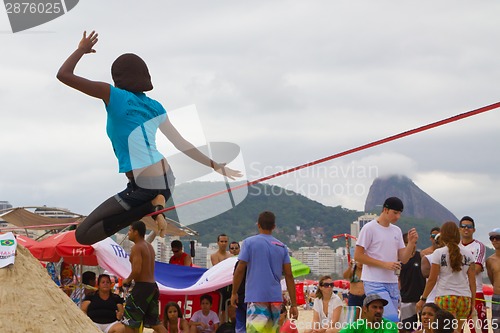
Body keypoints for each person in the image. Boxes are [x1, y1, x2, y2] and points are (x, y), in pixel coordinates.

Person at [57, 31, 241, 246]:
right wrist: (214, 165)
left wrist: (81, 50)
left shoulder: (114, 95)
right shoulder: (155, 106)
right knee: (86, 234)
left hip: (147, 185)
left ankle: (150, 208)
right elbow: (180, 143)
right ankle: (154, 207)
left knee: (84, 235)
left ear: (118, 77)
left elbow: (64, 75)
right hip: (163, 181)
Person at [231, 211, 298, 333]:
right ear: (274, 227)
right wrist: (294, 304)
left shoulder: (249, 243)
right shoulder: (282, 247)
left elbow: (240, 269)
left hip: (256, 297)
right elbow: (289, 275)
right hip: (276, 298)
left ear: (258, 225)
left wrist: (234, 292)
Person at [354, 197, 418, 322]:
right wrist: (384, 264)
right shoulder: (369, 228)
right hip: (373, 281)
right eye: (395, 212)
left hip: (392, 282)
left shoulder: (396, 230)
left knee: (387, 323)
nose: (398, 216)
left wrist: (410, 243)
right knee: (391, 319)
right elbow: (358, 256)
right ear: (385, 210)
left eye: (400, 213)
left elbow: (404, 259)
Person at [416, 221, 475, 332]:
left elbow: (432, 279)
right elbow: (472, 282)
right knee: (457, 331)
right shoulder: (468, 254)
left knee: (444, 331)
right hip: (465, 298)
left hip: (446, 296)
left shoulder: (439, 253)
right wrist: (473, 303)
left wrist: (423, 298)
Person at [121, 221, 167, 333]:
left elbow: (137, 270)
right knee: (154, 323)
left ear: (136, 232)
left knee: (129, 321)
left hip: (142, 288)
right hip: (152, 287)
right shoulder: (149, 247)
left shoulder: (137, 247)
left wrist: (127, 279)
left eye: (130, 230)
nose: (128, 233)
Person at [458, 216, 487, 333]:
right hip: (458, 292)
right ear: (459, 229)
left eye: (469, 227)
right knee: (456, 328)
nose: (466, 229)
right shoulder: (455, 246)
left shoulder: (479, 246)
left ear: (474, 230)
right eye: (463, 226)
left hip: (476, 293)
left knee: (478, 329)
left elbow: (477, 268)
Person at [400, 232, 426, 333]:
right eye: (409, 242)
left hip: (421, 299)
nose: (412, 245)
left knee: (425, 329)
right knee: (406, 329)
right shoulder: (400, 260)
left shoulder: (421, 257)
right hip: (406, 299)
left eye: (415, 242)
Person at [210, 234, 231, 324]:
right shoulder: (214, 256)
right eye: (222, 241)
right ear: (218, 243)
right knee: (220, 309)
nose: (223, 243)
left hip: (229, 284)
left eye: (225, 241)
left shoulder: (230, 256)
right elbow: (218, 268)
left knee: (230, 308)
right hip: (219, 284)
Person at [421, 233, 444, 304]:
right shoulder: (428, 258)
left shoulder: (454, 258)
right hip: (431, 298)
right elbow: (426, 274)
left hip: (447, 297)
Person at [486, 228, 500, 333]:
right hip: (497, 297)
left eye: (497, 238)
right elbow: (492, 280)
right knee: (496, 328)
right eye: (492, 238)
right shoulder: (490, 260)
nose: (494, 240)